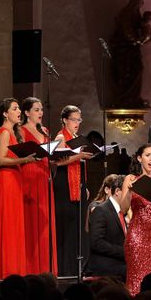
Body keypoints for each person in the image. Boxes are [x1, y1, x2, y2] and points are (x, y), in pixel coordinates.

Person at [0, 98, 33, 279]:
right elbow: (1, 159)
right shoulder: (5, 132)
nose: (19, 112)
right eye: (15, 109)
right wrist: (25, 159)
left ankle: (14, 270)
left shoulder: (13, 133)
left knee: (14, 226)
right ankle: (7, 271)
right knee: (8, 225)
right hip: (7, 179)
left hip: (14, 179)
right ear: (5, 113)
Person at [120, 144, 151, 295]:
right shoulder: (130, 178)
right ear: (139, 158)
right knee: (136, 281)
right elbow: (123, 209)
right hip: (137, 238)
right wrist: (129, 191)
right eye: (148, 155)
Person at [53, 105, 94, 276]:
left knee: (77, 227)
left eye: (79, 119)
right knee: (68, 227)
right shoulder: (61, 136)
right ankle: (65, 269)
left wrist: (84, 186)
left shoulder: (76, 137)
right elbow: (57, 162)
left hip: (78, 186)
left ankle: (77, 268)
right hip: (64, 186)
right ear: (64, 120)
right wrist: (79, 156)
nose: (77, 123)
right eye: (73, 119)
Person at [19, 96, 58, 274]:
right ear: (26, 112)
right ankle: (29, 266)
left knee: (45, 221)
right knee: (30, 220)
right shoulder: (20, 130)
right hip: (28, 175)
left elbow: (49, 153)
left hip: (44, 175)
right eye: (36, 109)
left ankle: (44, 268)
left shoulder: (45, 131)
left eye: (41, 109)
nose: (40, 113)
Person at [110, 0, 151, 108]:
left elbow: (142, 29)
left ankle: (133, 97)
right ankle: (124, 97)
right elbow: (126, 30)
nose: (142, 4)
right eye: (140, 2)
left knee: (137, 70)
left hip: (133, 49)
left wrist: (145, 27)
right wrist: (135, 39)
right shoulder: (126, 13)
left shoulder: (136, 14)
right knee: (126, 72)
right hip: (123, 49)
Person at [87, 175, 127, 280]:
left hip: (120, 263)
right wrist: (124, 252)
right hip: (106, 265)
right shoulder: (101, 210)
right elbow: (96, 242)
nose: (132, 196)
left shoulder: (123, 212)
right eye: (129, 191)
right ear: (118, 191)